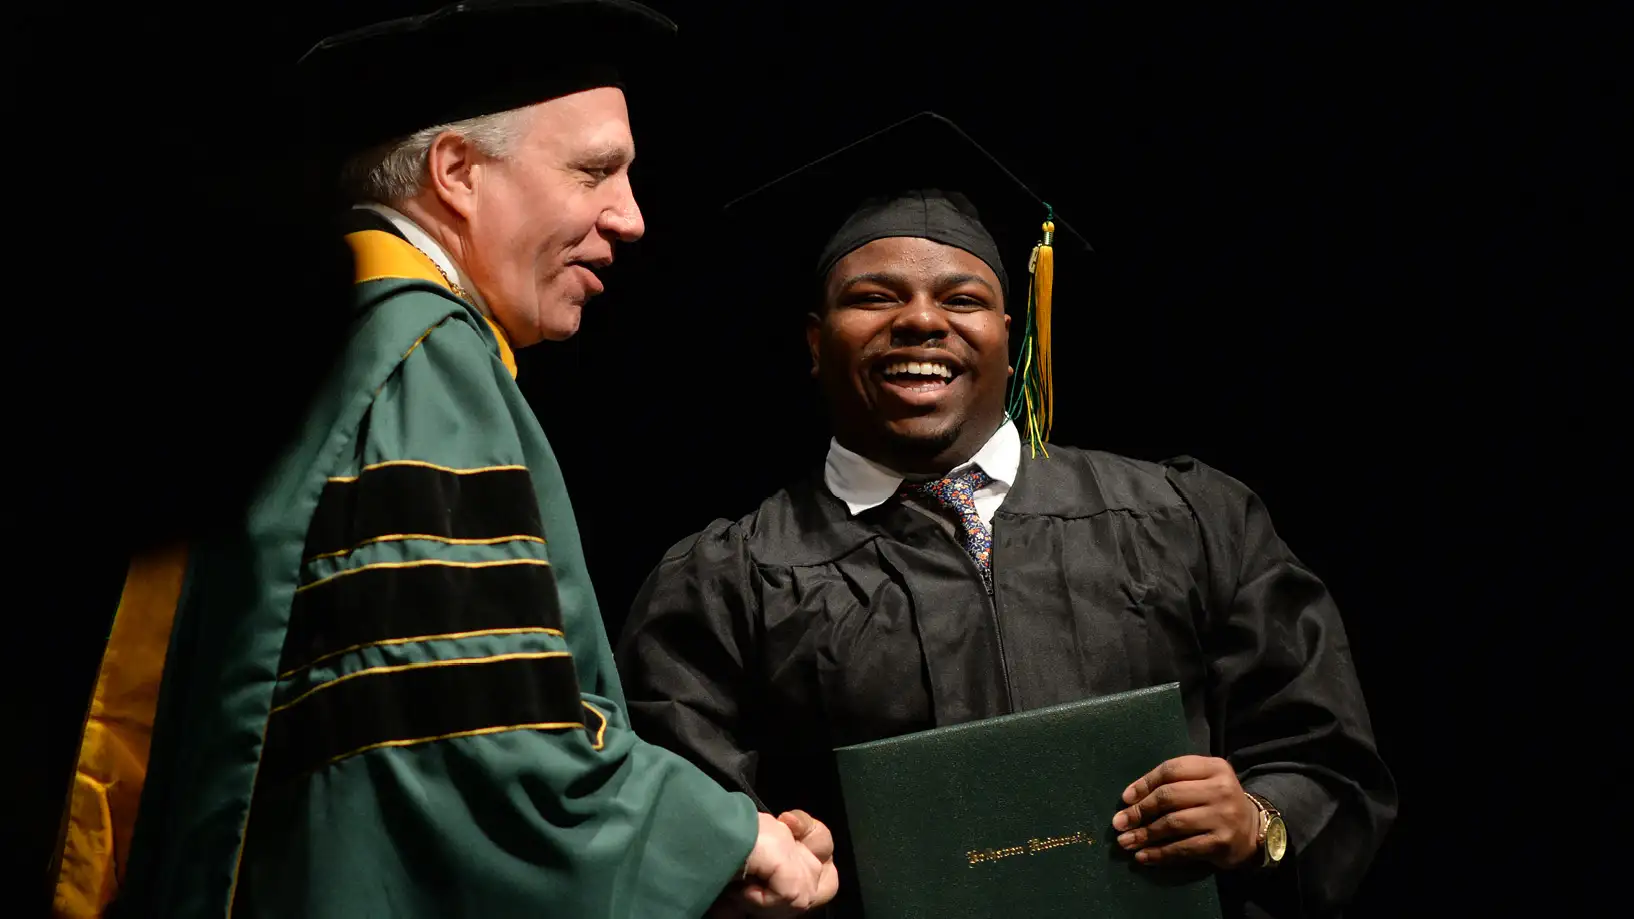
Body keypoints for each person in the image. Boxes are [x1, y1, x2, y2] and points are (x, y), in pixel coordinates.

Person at [50, 3, 838, 917]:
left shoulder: (303, 351)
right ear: (456, 173)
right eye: (596, 173)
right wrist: (726, 840)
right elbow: (468, 748)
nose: (631, 217)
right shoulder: (416, 361)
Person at [615, 111, 1397, 919]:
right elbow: (669, 831)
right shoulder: (723, 584)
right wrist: (749, 873)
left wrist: (1258, 825)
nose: (921, 319)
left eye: (963, 297)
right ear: (815, 342)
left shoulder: (1189, 519)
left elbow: (1326, 760)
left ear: (1009, 335)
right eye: (875, 296)